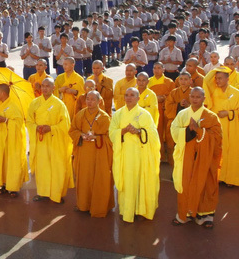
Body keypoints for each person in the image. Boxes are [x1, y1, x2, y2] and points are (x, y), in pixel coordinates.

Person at [171, 87, 222, 229]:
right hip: (186, 156)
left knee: (205, 183)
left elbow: (217, 138)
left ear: (204, 99)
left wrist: (199, 131)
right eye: (192, 96)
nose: (194, 99)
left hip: (204, 158)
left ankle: (204, 215)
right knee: (185, 182)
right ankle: (185, 214)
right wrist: (188, 131)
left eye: (198, 97)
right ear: (189, 97)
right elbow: (174, 130)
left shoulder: (211, 116)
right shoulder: (182, 114)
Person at [109, 87, 161, 223]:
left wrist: (139, 131)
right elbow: (111, 132)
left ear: (138, 98)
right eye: (126, 95)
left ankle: (140, 209)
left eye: (132, 95)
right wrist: (123, 131)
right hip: (125, 154)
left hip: (140, 155)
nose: (129, 97)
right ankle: (127, 209)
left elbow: (154, 136)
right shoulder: (118, 114)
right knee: (127, 182)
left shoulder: (144, 114)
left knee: (140, 181)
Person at [26, 78, 74, 204]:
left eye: (48, 86)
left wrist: (51, 128)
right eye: (43, 86)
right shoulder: (35, 103)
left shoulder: (59, 104)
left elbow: (65, 124)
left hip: (55, 140)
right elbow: (29, 121)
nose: (44, 88)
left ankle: (56, 193)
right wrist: (36, 128)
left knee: (56, 167)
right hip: (40, 140)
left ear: (53, 88)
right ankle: (43, 193)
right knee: (42, 167)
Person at [69, 90, 114, 217]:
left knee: (99, 178)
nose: (89, 101)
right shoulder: (80, 114)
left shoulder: (105, 117)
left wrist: (97, 137)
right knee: (84, 178)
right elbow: (72, 130)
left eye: (93, 99)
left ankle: (99, 207)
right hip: (84, 152)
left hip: (99, 153)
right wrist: (81, 135)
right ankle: (83, 205)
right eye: (88, 99)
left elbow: (110, 137)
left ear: (99, 101)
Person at [0, 83, 28, 198]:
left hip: (12, 140)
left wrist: (6, 120)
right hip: (0, 139)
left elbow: (19, 123)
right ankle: (3, 184)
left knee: (12, 162)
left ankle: (13, 187)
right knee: (1, 162)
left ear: (3, 93)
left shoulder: (14, 106)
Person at [204, 66, 239, 186]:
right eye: (216, 78)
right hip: (217, 127)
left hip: (232, 126)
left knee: (231, 152)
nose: (217, 81)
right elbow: (206, 80)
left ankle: (231, 179)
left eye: (220, 78)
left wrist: (229, 113)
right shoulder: (213, 92)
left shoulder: (236, 93)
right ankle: (219, 177)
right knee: (218, 151)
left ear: (227, 78)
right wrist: (216, 69)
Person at [164, 72, 193, 165]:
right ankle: (174, 169)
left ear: (190, 81)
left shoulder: (193, 92)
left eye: (185, 79)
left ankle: (186, 170)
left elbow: (200, 108)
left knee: (187, 148)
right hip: (174, 123)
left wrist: (189, 105)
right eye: (181, 79)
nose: (183, 81)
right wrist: (178, 105)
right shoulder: (174, 92)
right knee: (172, 147)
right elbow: (167, 106)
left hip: (188, 124)